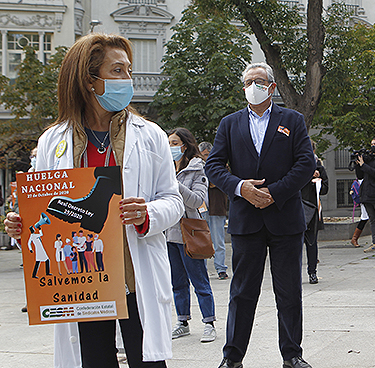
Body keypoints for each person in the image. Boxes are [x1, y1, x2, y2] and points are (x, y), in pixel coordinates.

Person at [3, 33, 183, 368]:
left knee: (148, 362)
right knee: (94, 361)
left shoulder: (150, 135)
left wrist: (148, 214)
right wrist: (21, 223)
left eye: (128, 70)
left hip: (133, 275)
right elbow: (39, 205)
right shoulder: (51, 141)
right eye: (117, 71)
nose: (127, 79)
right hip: (81, 282)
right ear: (90, 81)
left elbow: (173, 201)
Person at [205, 62, 315, 368]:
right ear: (243, 88)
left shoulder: (292, 120)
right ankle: (232, 357)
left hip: (284, 218)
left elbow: (306, 164)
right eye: (249, 82)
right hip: (246, 219)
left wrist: (274, 193)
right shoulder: (229, 123)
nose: (254, 86)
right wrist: (240, 188)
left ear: (272, 87)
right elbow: (213, 165)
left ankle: (292, 355)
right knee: (241, 293)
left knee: (289, 292)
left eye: (259, 81)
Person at [166, 127, 217, 343]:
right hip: (169, 232)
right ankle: (182, 321)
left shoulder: (197, 169)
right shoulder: (164, 166)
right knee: (177, 282)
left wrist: (174, 184)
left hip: (190, 232)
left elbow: (197, 200)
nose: (171, 148)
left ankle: (209, 323)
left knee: (199, 280)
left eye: (175, 143)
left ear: (185, 145)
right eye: (168, 143)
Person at [199, 141, 229, 280]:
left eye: (207, 155)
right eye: (202, 155)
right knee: (202, 241)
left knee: (218, 241)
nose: (205, 158)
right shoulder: (196, 165)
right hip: (201, 207)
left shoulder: (221, 164)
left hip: (217, 207)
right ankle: (202, 269)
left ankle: (221, 268)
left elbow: (216, 182)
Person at [301, 140, 329, 284]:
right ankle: (293, 273)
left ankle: (312, 272)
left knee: (312, 243)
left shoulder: (319, 167)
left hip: (312, 209)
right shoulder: (297, 166)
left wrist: (318, 180)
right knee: (294, 244)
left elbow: (325, 189)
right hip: (298, 209)